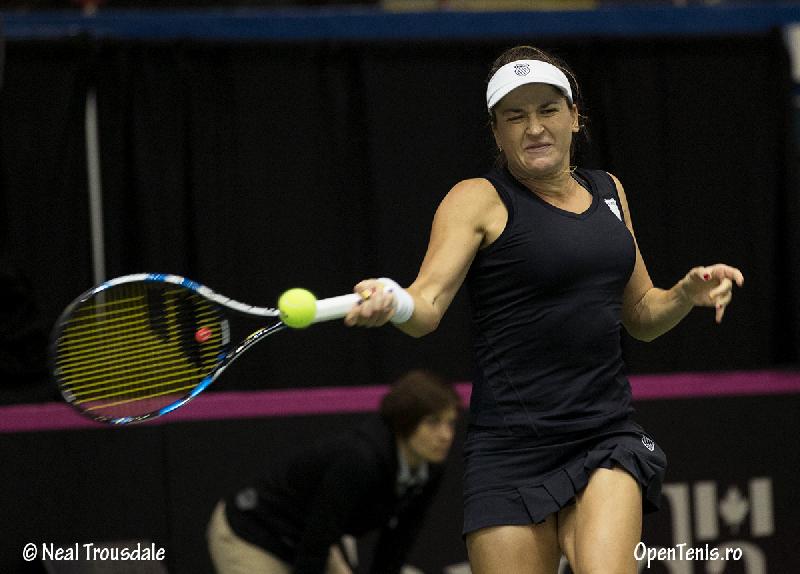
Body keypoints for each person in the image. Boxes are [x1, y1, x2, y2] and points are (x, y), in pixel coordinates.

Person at [343, 45, 744, 574]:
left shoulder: (609, 191)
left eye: (548, 110)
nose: (534, 127)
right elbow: (427, 304)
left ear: (574, 117)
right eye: (515, 116)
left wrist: (684, 295)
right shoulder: (476, 199)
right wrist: (394, 300)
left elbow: (642, 316)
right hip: (508, 450)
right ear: (496, 132)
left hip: (604, 435)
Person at [207, 369, 461, 574]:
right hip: (251, 532)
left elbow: (397, 544)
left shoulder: (430, 469)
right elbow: (316, 542)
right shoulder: (360, 460)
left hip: (305, 537)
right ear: (404, 421)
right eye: (433, 422)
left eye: (450, 423)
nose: (446, 435)